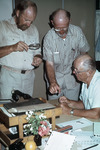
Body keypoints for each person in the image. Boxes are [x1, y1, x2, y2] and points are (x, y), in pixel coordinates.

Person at [43, 8, 90, 100]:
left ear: (69, 21)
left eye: (65, 28)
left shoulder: (77, 32)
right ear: (52, 23)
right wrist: (53, 82)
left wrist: (84, 75)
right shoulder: (48, 38)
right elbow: (49, 63)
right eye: (58, 28)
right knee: (55, 109)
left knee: (72, 108)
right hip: (55, 78)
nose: (61, 31)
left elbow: (84, 54)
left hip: (73, 79)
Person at [0, 0, 42, 99]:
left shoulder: (34, 29)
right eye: (26, 20)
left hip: (29, 78)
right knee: (8, 111)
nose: (28, 24)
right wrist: (12, 48)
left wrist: (38, 57)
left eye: (31, 21)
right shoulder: (3, 26)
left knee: (26, 109)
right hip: (9, 78)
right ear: (18, 13)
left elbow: (37, 51)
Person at [59, 54, 100, 119]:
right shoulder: (86, 81)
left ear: (88, 72)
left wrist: (70, 111)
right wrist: (70, 102)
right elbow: (84, 104)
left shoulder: (98, 83)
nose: (73, 72)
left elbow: (96, 114)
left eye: (76, 71)